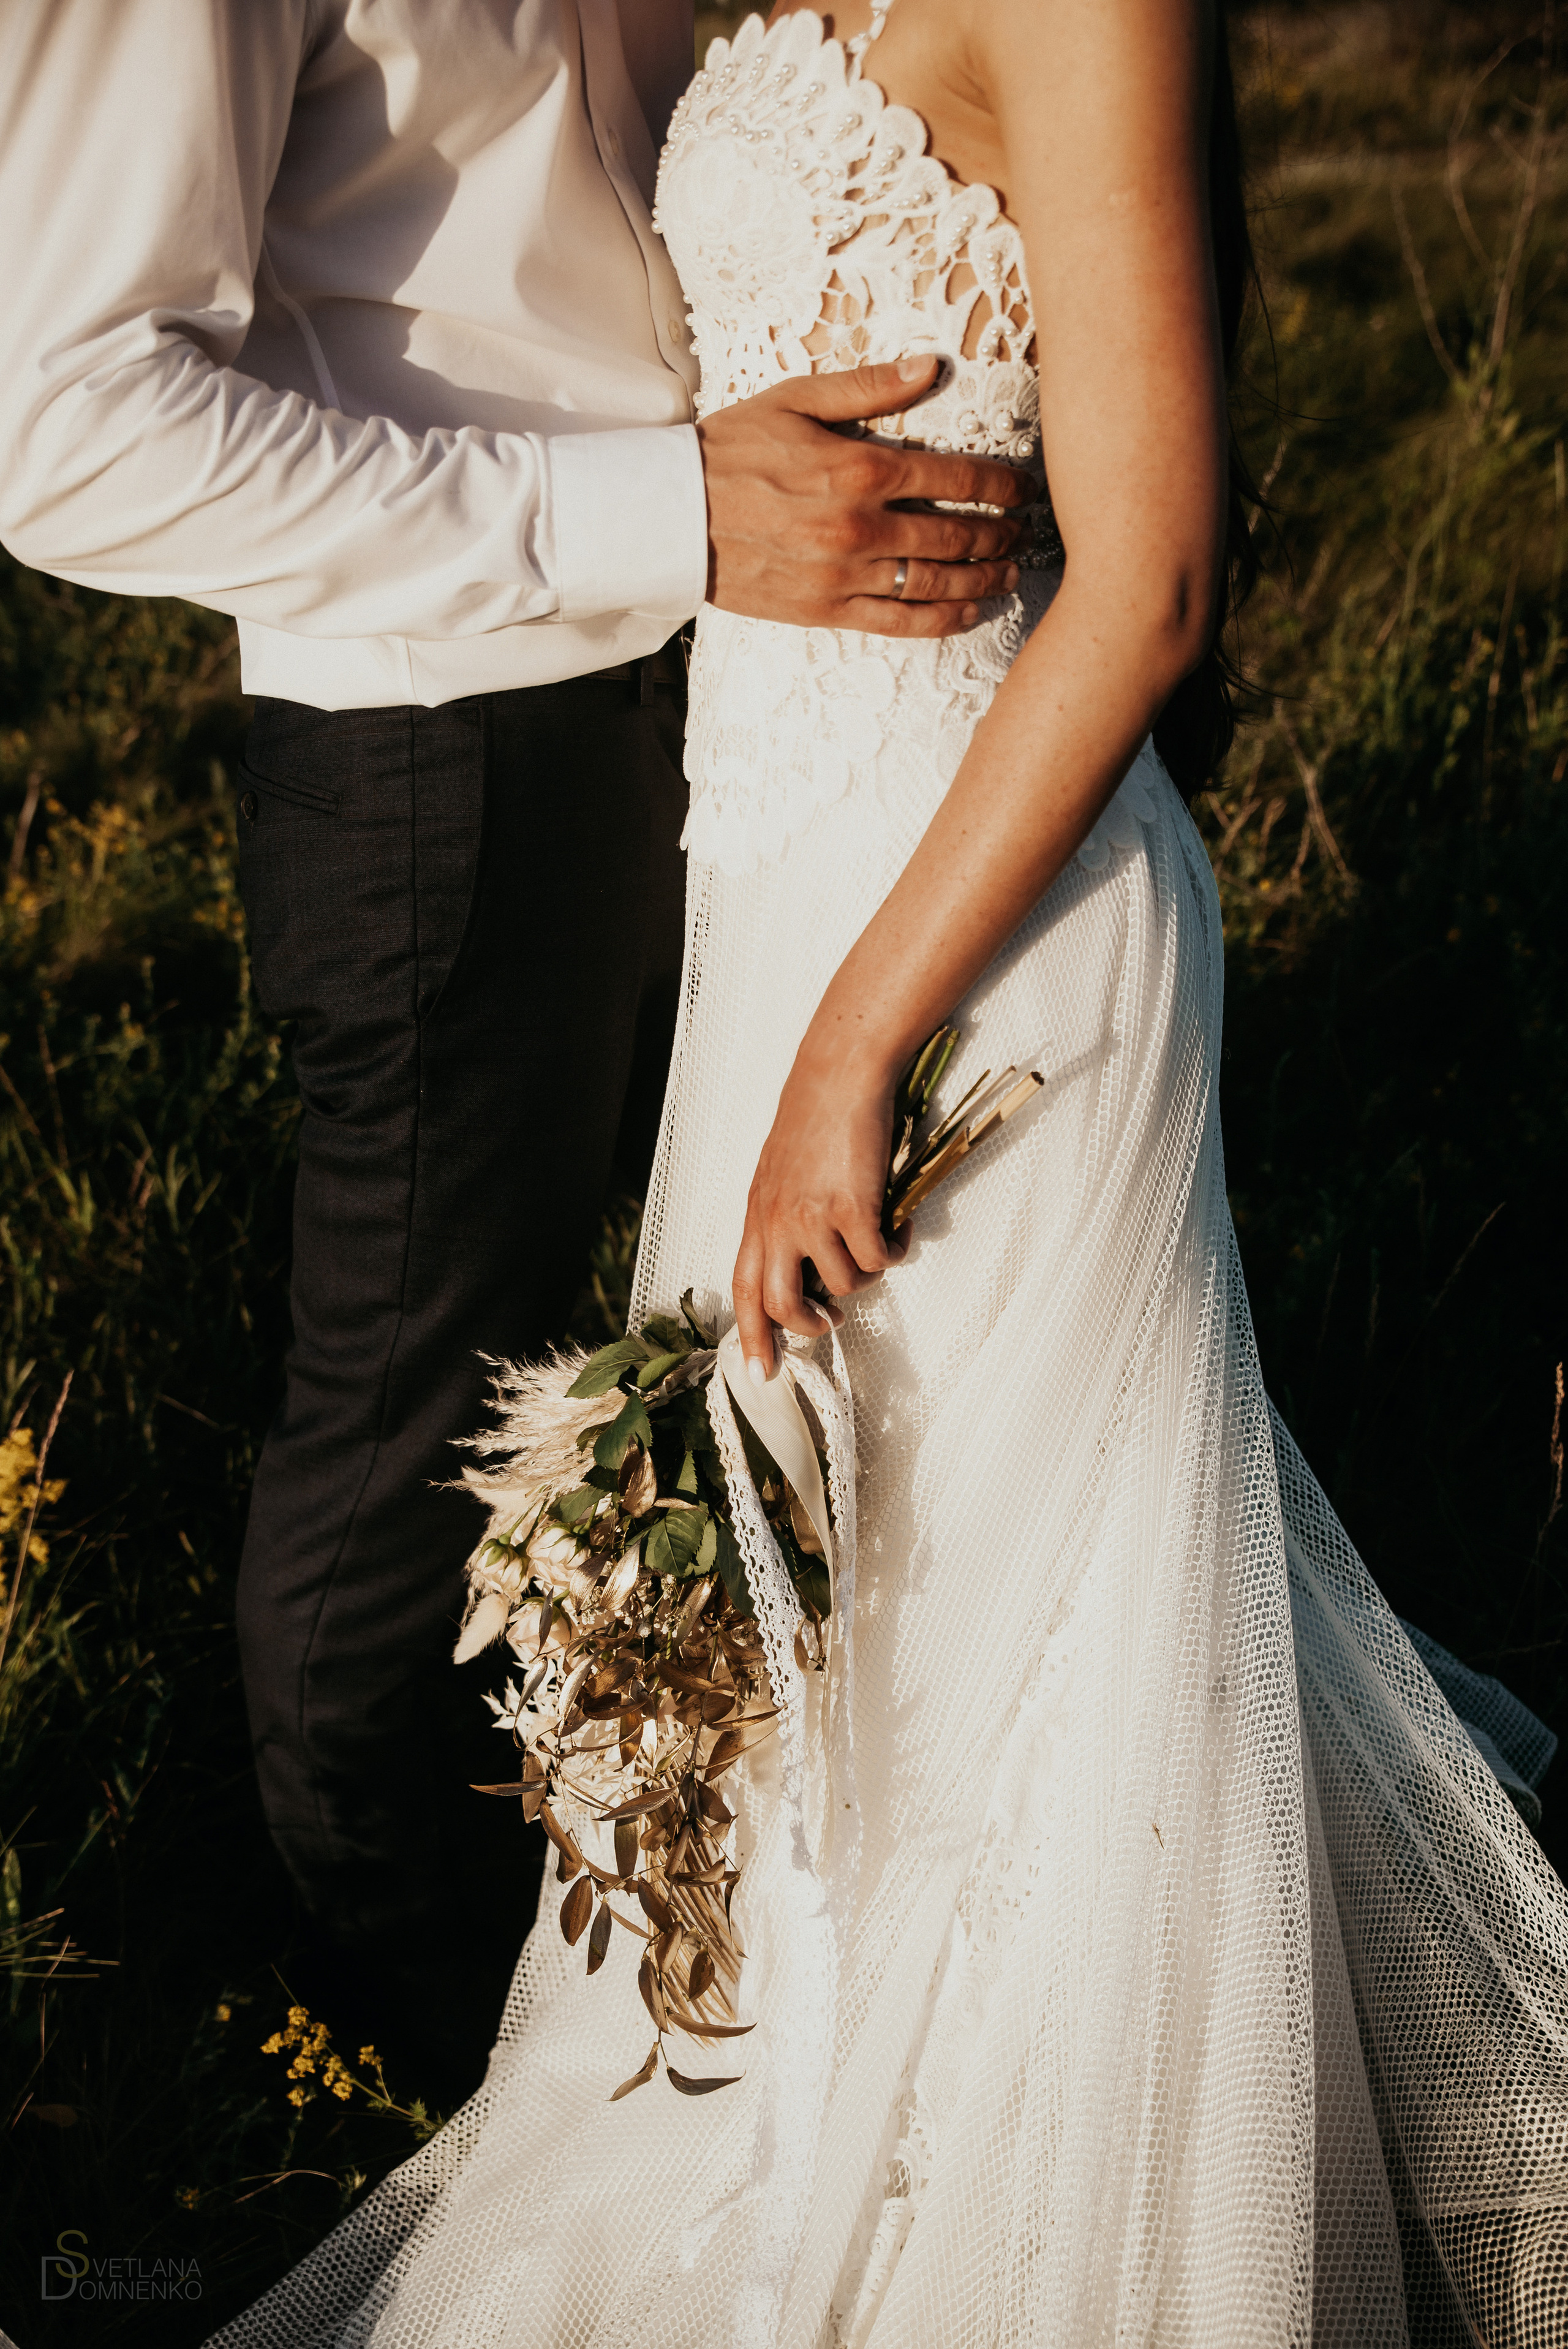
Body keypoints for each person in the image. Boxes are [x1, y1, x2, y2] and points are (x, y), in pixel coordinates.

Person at [216, 0, 1564, 2340]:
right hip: (781, 870)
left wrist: (858, 1042)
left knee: (1009, 1673)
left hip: (972, 954)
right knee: (827, 1672)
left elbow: (1149, 576)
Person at [0, 2, 1036, 2105]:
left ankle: (807, 1938)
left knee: (773, 1356)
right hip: (443, 738)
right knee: (409, 1454)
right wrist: (669, 516)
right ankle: (413, 2073)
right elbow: (66, 420)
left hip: (762, 696)